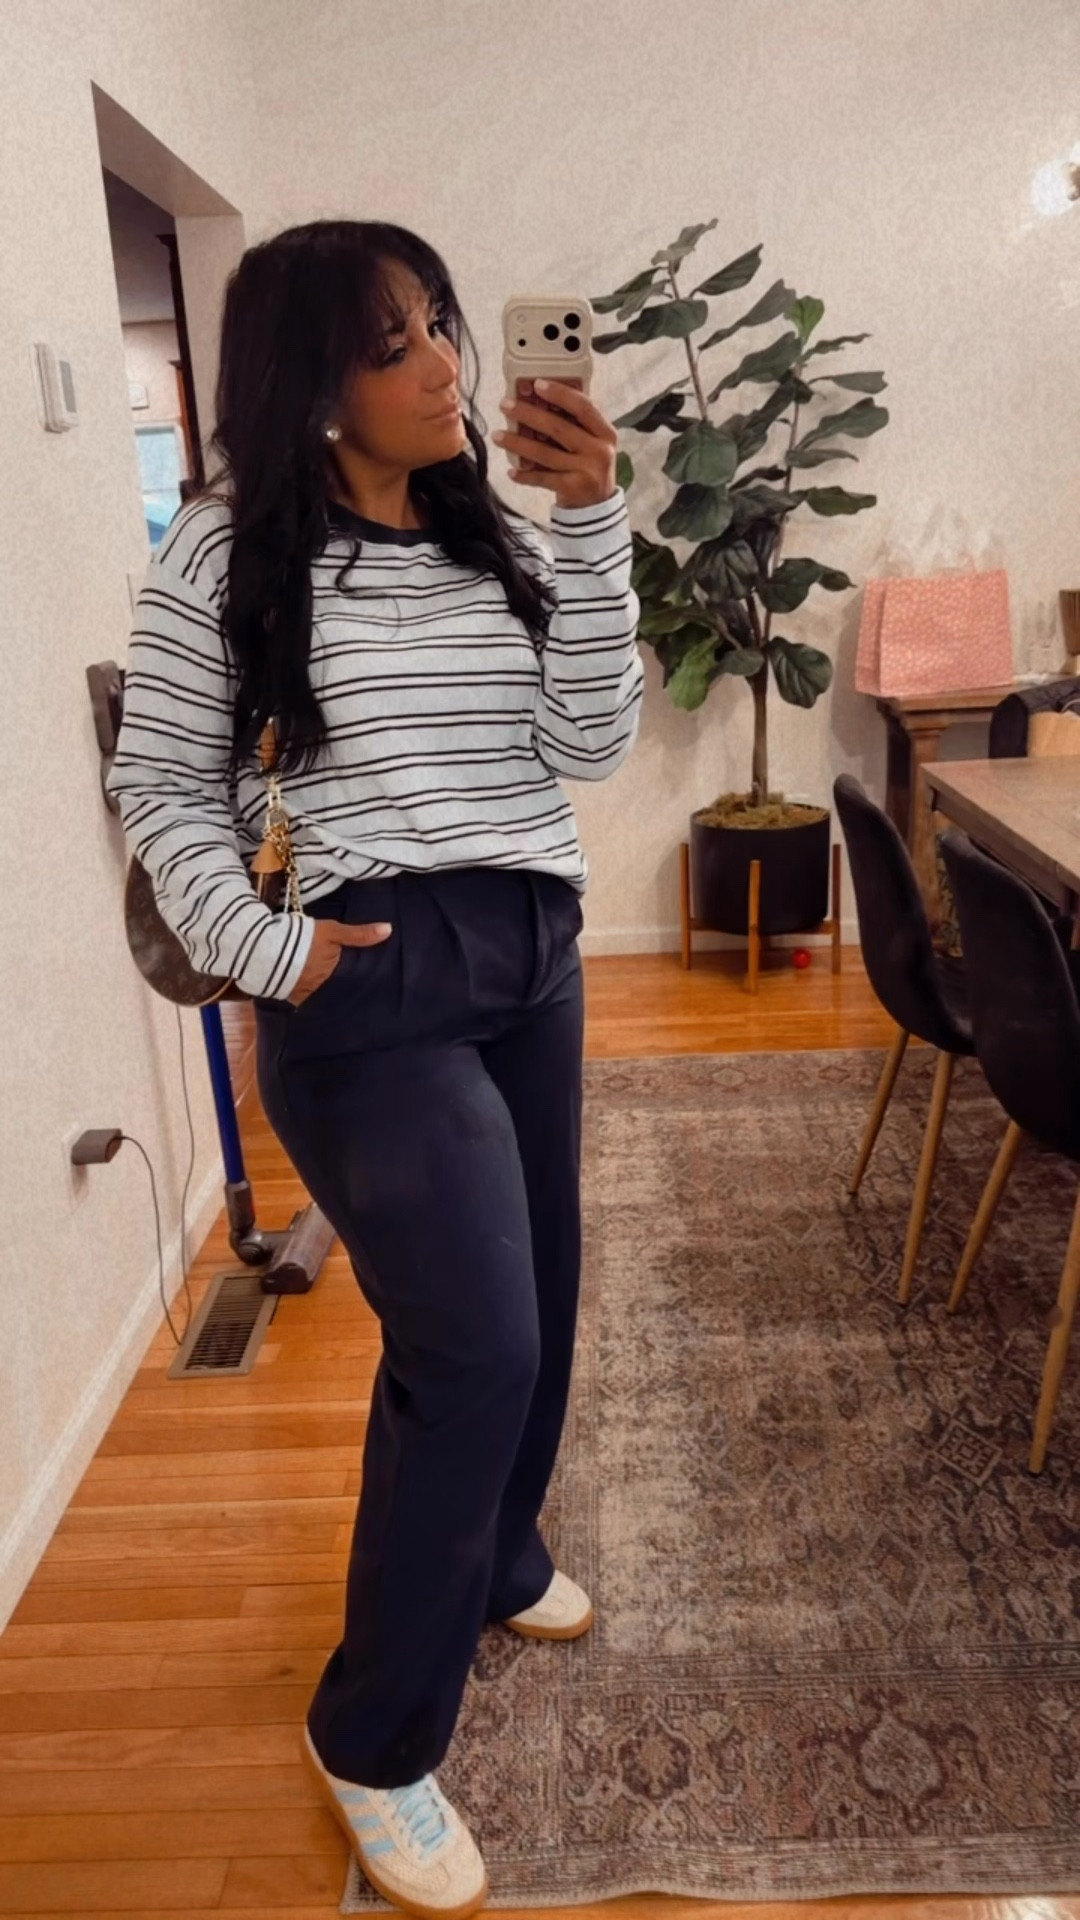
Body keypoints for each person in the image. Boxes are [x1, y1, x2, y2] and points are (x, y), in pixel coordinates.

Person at [106, 219, 643, 1918]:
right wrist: (268, 955)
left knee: (542, 1292)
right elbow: (159, 786)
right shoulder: (225, 548)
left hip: (534, 953)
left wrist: (595, 525)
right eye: (393, 341)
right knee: (474, 1343)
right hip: (371, 981)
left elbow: (590, 741)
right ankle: (374, 1736)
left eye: (442, 326)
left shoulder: (497, 529)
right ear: (310, 381)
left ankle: (493, 1547)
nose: (446, 367)